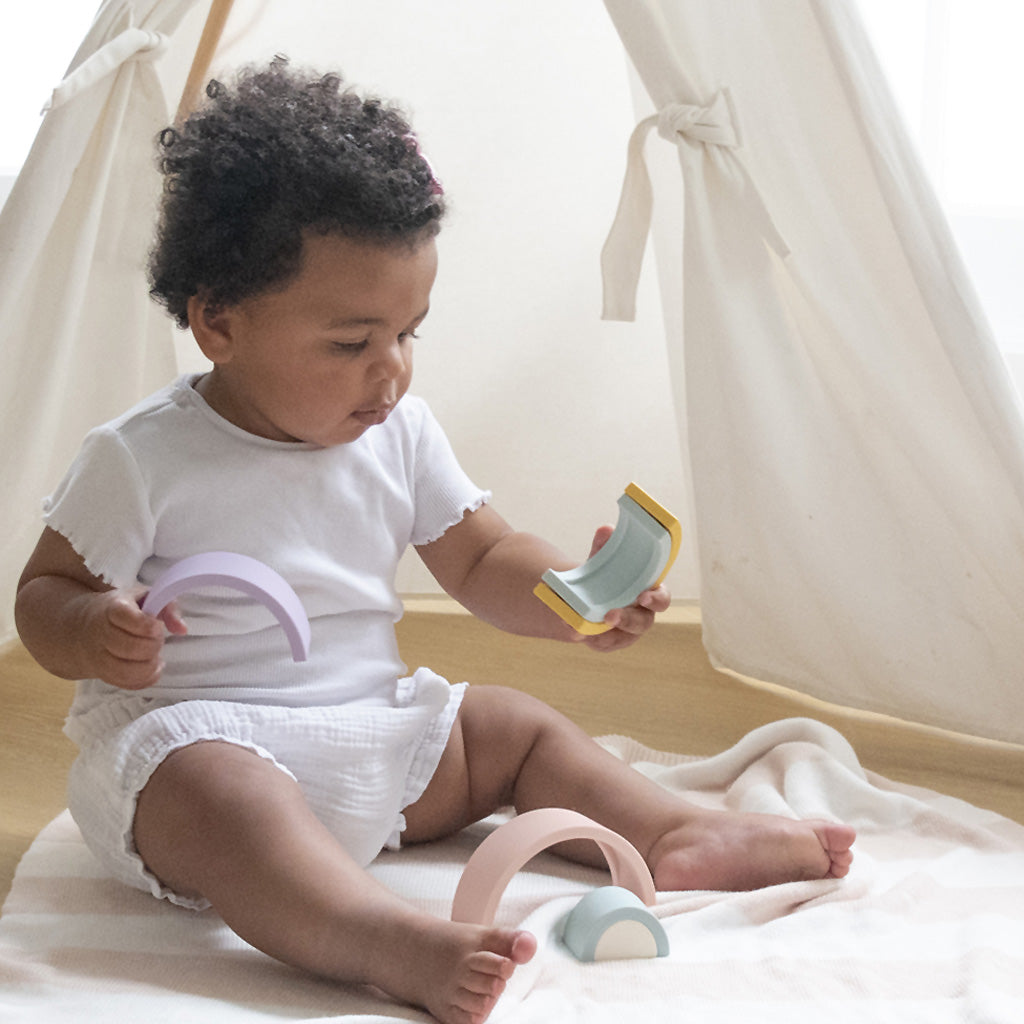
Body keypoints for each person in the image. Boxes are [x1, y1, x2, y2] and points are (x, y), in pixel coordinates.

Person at [14, 60, 855, 1024]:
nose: (391, 374)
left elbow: (485, 557)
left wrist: (576, 594)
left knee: (510, 725)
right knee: (223, 795)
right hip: (200, 750)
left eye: (411, 333)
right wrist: (95, 627)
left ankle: (672, 833)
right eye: (350, 343)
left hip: (373, 738)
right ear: (218, 322)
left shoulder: (398, 434)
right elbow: (44, 596)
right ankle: (380, 938)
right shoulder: (142, 456)